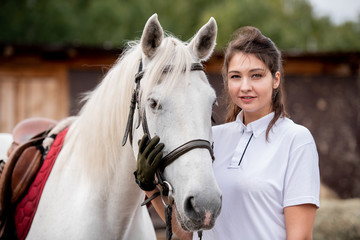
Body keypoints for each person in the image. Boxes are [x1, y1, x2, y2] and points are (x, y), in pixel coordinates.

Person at [135, 26, 320, 240]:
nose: (245, 86)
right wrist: (149, 187)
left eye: (256, 76)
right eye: (235, 76)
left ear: (275, 79)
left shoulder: (296, 140)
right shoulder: (211, 139)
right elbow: (189, 234)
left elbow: (301, 237)